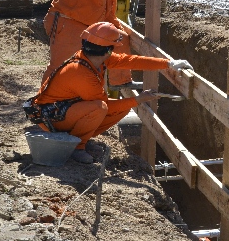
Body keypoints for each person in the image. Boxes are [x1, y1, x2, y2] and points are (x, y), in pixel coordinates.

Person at [33, 22, 193, 164]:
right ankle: (77, 147)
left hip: (62, 109)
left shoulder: (94, 58)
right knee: (100, 108)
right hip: (51, 117)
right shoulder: (81, 73)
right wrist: (139, 99)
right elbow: (106, 107)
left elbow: (130, 61)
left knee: (119, 107)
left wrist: (168, 64)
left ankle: (79, 137)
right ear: (108, 50)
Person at [42, 0, 160, 89]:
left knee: (121, 39)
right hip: (66, 23)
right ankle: (42, 104)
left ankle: (120, 81)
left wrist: (120, 32)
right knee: (60, 66)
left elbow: (109, 16)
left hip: (87, 27)